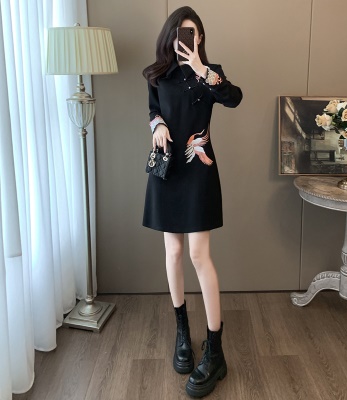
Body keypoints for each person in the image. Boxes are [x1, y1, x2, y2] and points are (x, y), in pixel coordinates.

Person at [142, 6, 242, 398]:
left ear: (200, 38)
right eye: (181, 32)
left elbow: (234, 98)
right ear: (170, 36)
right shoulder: (157, 74)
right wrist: (157, 124)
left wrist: (202, 68)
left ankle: (215, 350)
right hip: (168, 171)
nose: (187, 38)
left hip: (198, 171)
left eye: (194, 33)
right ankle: (182, 332)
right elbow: (153, 109)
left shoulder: (210, 73)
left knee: (200, 256)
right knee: (173, 252)